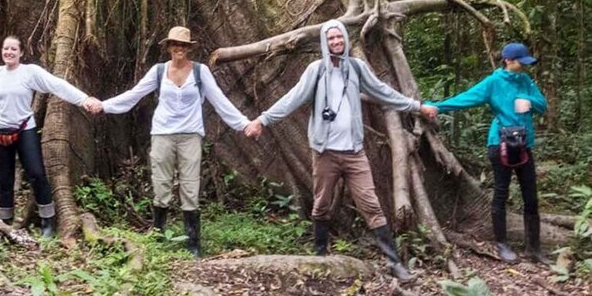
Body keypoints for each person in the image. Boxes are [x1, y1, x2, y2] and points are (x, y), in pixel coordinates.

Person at [246, 20, 438, 280]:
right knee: (322, 203)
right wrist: (263, 120)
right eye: (331, 39)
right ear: (324, 43)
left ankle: (396, 265)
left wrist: (417, 106)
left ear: (346, 40)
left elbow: (383, 92)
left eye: (339, 38)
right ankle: (321, 257)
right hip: (325, 152)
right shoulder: (316, 70)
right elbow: (292, 98)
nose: (336, 42)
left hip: (354, 152)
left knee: (371, 205)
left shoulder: (356, 68)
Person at [91, 26, 261, 258]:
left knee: (190, 186)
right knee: (161, 184)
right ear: (169, 47)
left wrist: (244, 124)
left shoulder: (200, 72)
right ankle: (159, 235)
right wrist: (105, 105)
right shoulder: (159, 71)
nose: (179, 48)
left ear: (189, 48)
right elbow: (135, 94)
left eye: (184, 45)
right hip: (162, 134)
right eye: (175, 44)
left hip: (190, 135)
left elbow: (220, 100)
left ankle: (193, 242)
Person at [0, 35, 101, 237]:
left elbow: (56, 84)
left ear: (21, 52)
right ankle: (4, 221)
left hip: (25, 130)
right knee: (4, 178)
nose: (9, 52)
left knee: (37, 174)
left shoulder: (30, 72)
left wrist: (84, 99)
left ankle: (47, 221)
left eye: (13, 49)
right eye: (6, 48)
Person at [426, 42, 551, 265]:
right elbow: (466, 98)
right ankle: (502, 244)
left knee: (531, 197)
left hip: (524, 144)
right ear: (508, 61)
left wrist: (529, 102)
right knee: (501, 194)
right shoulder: (493, 82)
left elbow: (543, 104)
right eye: (521, 62)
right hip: (501, 143)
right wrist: (436, 107)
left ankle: (534, 248)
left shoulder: (525, 80)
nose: (524, 66)